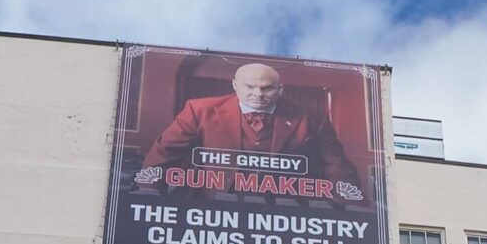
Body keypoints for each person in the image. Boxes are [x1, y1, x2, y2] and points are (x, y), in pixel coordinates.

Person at [136, 60, 364, 190]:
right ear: (235, 85)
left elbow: (337, 167)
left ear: (280, 89)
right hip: (208, 210)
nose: (258, 94)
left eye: (267, 88)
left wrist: (344, 207)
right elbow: (163, 155)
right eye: (250, 87)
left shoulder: (313, 118)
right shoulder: (199, 110)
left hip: (287, 214)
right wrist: (149, 194)